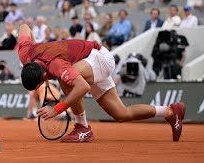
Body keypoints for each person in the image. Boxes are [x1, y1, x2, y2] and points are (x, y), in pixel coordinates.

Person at [17, 23, 185, 142]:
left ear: (44, 74)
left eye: (40, 83)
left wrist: (57, 109)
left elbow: (82, 86)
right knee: (121, 114)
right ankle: (170, 111)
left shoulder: (57, 66)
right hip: (87, 64)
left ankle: (82, 127)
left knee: (67, 80)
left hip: (98, 57)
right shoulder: (25, 53)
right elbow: (24, 26)